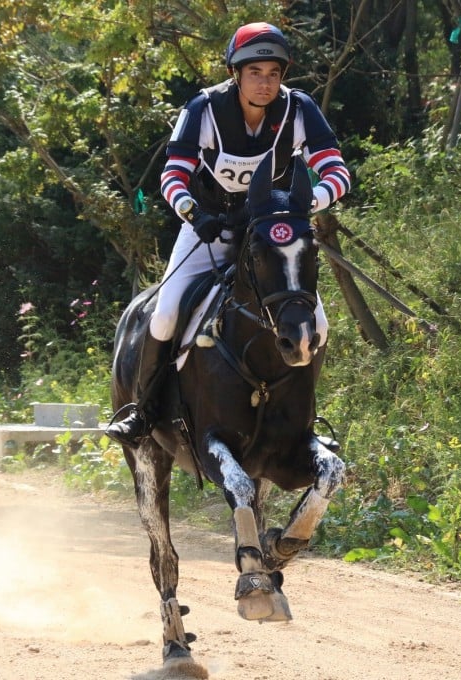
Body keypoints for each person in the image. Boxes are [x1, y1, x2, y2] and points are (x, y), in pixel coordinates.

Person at [107, 21, 352, 447]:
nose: (265, 83)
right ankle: (143, 411)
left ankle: (305, 421)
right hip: (210, 229)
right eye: (255, 73)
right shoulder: (203, 109)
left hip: (268, 236)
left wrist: (304, 204)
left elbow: (337, 172)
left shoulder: (300, 108)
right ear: (235, 74)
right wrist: (192, 212)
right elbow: (173, 175)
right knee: (166, 314)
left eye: (273, 73)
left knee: (319, 325)